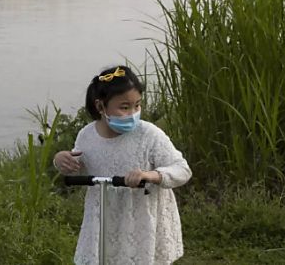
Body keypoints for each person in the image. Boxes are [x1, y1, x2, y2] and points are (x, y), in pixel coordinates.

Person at [54, 66, 192, 265]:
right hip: (104, 217)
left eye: (137, 105)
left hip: (141, 219)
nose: (133, 113)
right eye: (124, 107)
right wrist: (61, 160)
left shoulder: (148, 134)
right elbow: (78, 165)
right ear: (101, 107)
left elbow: (182, 169)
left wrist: (151, 175)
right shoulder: (87, 136)